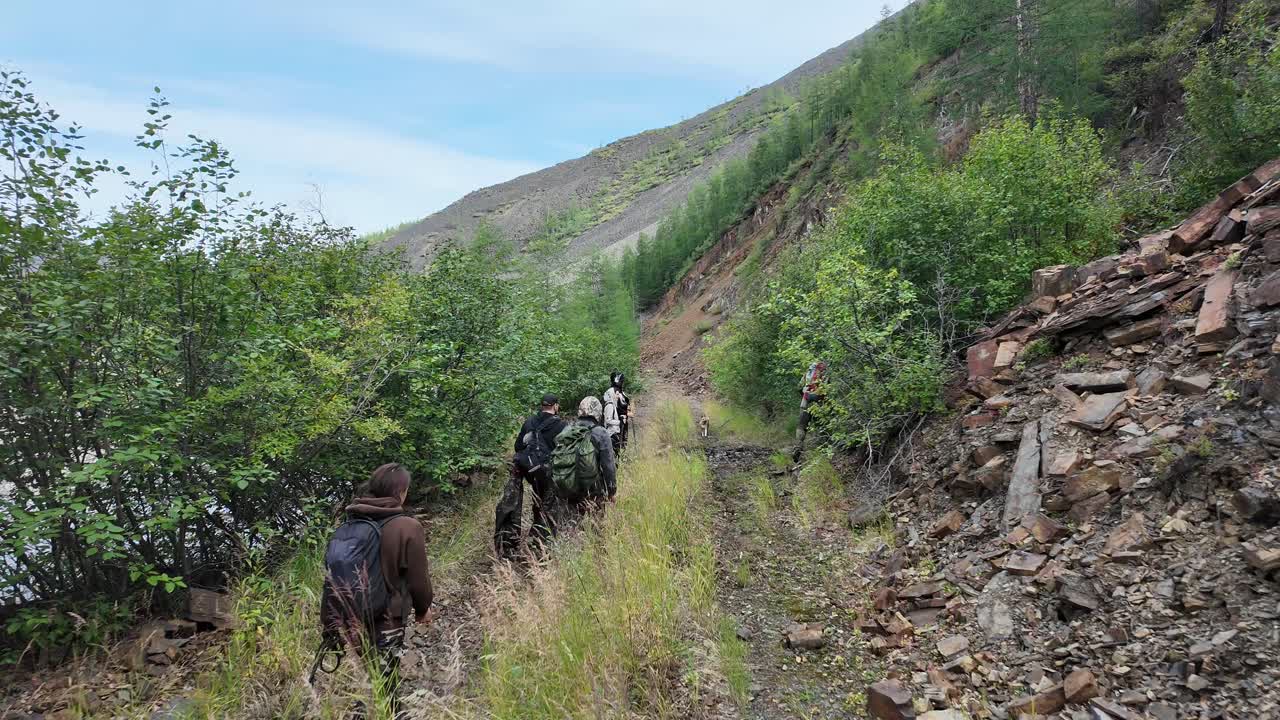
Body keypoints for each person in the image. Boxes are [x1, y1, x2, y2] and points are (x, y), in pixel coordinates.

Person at [319, 463, 433, 716]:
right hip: (388, 618)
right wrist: (423, 608)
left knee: (371, 672)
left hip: (352, 616)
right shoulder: (407, 526)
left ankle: (387, 711)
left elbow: (332, 574)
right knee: (382, 678)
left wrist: (330, 621)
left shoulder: (349, 524)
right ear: (401, 490)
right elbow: (418, 579)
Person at [494, 394, 567, 559]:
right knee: (545, 507)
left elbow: (518, 446)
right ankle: (539, 547)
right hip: (546, 474)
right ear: (555, 406)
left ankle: (507, 547)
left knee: (515, 506)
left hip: (526, 470)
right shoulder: (561, 425)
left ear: (542, 406)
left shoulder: (529, 422)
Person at [552, 396, 617, 513]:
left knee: (570, 523)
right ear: (598, 412)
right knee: (594, 525)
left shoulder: (568, 430)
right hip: (593, 489)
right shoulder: (601, 433)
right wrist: (612, 491)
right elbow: (608, 466)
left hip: (568, 484)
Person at [793, 361, 826, 462]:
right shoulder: (825, 375)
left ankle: (798, 447)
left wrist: (804, 393)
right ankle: (821, 451)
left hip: (806, 402)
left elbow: (799, 387)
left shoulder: (808, 374)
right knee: (820, 427)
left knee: (802, 426)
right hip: (820, 404)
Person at [602, 372, 631, 457]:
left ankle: (621, 458)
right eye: (621, 381)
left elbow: (624, 405)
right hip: (615, 424)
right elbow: (611, 407)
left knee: (623, 443)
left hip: (622, 422)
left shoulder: (621, 392)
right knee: (615, 444)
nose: (622, 383)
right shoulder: (611, 392)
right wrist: (618, 420)